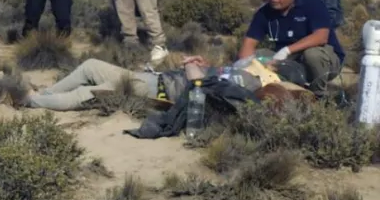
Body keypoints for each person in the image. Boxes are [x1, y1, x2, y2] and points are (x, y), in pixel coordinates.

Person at [237, 0, 344, 95]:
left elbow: (321, 36)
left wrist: (287, 50)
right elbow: (249, 44)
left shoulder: (313, 4)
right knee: (258, 56)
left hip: (324, 61)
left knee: (312, 54)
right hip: (289, 62)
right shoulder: (264, 13)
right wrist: (244, 66)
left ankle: (318, 96)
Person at [22, 55, 263, 111]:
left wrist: (191, 66)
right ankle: (45, 93)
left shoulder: (248, 82)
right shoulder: (238, 70)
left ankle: (30, 101)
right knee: (90, 65)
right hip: (153, 79)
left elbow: (200, 86)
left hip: (153, 92)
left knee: (88, 92)